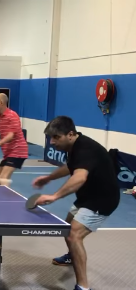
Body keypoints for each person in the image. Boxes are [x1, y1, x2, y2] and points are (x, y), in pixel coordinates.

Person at [32, 116, 120, 290]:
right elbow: (70, 167)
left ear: (70, 134)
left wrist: (54, 196)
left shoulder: (86, 149)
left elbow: (79, 177)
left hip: (102, 199)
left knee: (74, 235)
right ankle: (73, 256)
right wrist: (49, 177)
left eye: (56, 137)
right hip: (88, 196)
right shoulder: (74, 147)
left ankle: (83, 286)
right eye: (50, 137)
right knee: (67, 227)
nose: (52, 142)